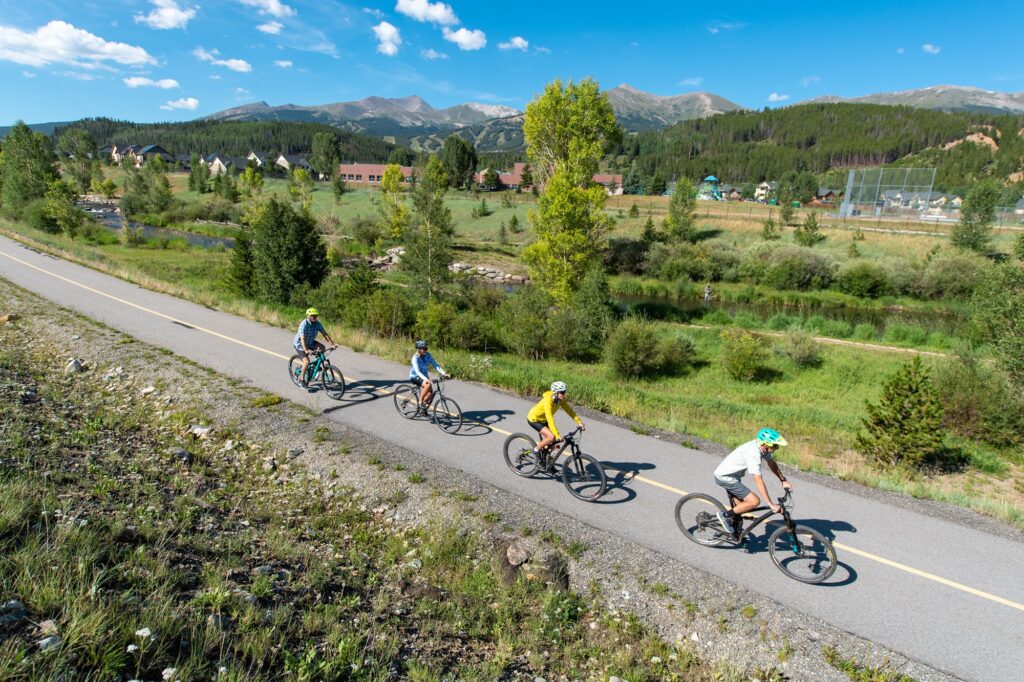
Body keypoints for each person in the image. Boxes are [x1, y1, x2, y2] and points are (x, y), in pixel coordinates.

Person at [713, 428, 792, 536]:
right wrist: (771, 504)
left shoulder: (762, 448)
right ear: (766, 444)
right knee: (754, 501)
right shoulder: (754, 454)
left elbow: (771, 462)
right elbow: (758, 480)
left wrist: (783, 480)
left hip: (734, 477)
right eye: (775, 445)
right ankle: (724, 516)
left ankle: (735, 534)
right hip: (725, 478)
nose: (777, 447)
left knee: (740, 509)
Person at [526, 381, 585, 457]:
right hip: (534, 419)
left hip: (543, 419)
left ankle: (547, 461)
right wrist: (557, 435)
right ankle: (536, 450)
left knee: (552, 443)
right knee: (551, 437)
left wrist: (579, 422)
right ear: (555, 392)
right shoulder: (547, 400)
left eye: (564, 392)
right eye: (562, 392)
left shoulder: (560, 400)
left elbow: (569, 411)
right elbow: (549, 418)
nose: (564, 394)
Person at [293, 307, 335, 387]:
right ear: (308, 316)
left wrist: (332, 344)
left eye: (316, 315)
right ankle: (302, 380)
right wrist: (306, 350)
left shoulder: (317, 324)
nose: (314, 317)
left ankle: (315, 366)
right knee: (306, 361)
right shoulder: (303, 325)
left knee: (322, 348)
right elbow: (302, 339)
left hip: (310, 342)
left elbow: (325, 334)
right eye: (312, 315)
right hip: (300, 344)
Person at [409, 340, 448, 408]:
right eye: (424, 349)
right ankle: (420, 402)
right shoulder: (415, 358)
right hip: (415, 376)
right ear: (419, 349)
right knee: (428, 385)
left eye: (426, 348)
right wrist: (426, 379)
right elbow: (418, 372)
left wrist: (444, 373)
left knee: (430, 393)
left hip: (424, 376)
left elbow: (435, 365)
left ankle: (423, 407)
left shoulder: (428, 355)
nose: (425, 350)